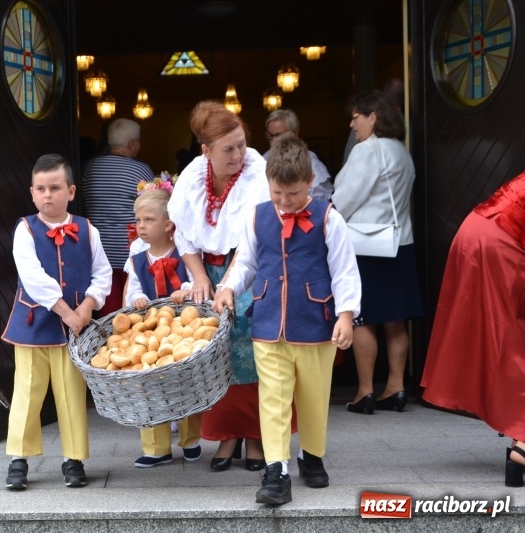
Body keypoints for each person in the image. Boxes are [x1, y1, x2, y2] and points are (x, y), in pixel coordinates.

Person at [214, 135, 361, 505]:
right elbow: (246, 262)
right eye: (277, 192)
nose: (284, 201)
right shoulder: (257, 216)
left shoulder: (329, 218)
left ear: (310, 181)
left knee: (314, 396)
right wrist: (228, 287)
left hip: (315, 323)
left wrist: (346, 314)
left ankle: (311, 455)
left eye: (293, 193)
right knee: (273, 397)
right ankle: (276, 470)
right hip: (267, 323)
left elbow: (345, 270)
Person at [0, 154, 112, 491]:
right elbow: (33, 277)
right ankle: (19, 458)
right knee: (27, 390)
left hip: (75, 328)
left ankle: (73, 459)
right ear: (32, 193)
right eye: (41, 189)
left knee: (71, 392)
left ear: (71, 191)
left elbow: (102, 273)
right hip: (33, 323)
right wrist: (67, 312)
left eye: (55, 187)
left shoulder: (88, 229)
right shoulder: (25, 229)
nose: (47, 194)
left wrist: (88, 306)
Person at [167, 100, 268, 472]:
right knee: (214, 346)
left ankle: (256, 436)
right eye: (228, 149)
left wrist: (228, 284)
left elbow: (251, 240)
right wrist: (199, 277)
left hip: (249, 267)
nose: (239, 154)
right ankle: (228, 434)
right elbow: (183, 234)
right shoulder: (194, 175)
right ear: (206, 150)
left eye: (242, 144)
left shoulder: (257, 171)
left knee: (249, 343)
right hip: (207, 270)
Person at [420, 171, 525, 487]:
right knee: (512, 342)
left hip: (481, 233)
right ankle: (522, 444)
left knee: (508, 338)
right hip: (500, 242)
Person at [331, 90, 424, 415]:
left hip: (367, 245)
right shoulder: (401, 151)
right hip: (400, 243)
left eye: (356, 116)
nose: (352, 123)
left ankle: (365, 391)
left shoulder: (367, 149)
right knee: (395, 320)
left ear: (373, 117)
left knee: (362, 319)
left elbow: (345, 200)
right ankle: (396, 387)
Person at [122, 188, 201, 467]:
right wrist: (136, 298)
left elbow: (196, 280)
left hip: (181, 330)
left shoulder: (185, 253)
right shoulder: (137, 259)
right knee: (148, 386)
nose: (141, 226)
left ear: (168, 225)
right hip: (150, 332)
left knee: (187, 381)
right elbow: (132, 290)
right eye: (138, 220)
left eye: (148, 220)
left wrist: (186, 289)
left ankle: (191, 439)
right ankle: (157, 448)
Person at [83, 118, 155, 316]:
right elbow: (154, 206)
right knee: (136, 313)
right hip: (130, 253)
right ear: (132, 144)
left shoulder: (89, 168)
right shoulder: (140, 170)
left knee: (109, 316)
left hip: (98, 253)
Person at [263, 109, 333, 201]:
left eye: (278, 135)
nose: (273, 141)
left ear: (294, 133)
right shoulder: (263, 160)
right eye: (270, 135)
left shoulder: (310, 161)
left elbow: (320, 201)